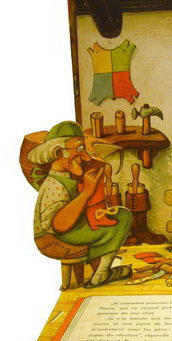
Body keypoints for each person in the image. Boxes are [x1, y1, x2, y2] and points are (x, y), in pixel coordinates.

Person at [28, 121, 133, 288]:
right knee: (122, 218)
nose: (86, 157)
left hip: (69, 230)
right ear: (58, 152)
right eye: (79, 149)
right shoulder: (54, 184)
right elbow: (59, 225)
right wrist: (86, 193)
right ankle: (102, 274)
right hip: (54, 238)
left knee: (118, 216)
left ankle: (100, 270)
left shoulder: (66, 178)